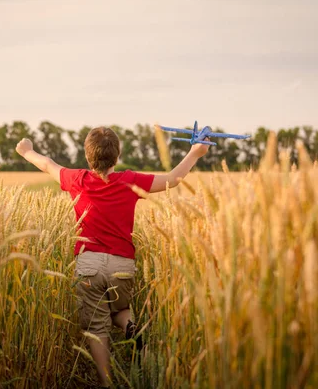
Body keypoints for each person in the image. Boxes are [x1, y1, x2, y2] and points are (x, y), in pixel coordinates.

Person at [15, 126, 209, 388]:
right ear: (117, 156)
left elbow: (47, 164)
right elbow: (173, 179)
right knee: (120, 309)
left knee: (97, 327)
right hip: (122, 263)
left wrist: (27, 150)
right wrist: (195, 153)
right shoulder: (130, 180)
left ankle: (106, 383)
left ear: (87, 156)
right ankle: (131, 327)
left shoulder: (76, 179)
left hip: (88, 264)